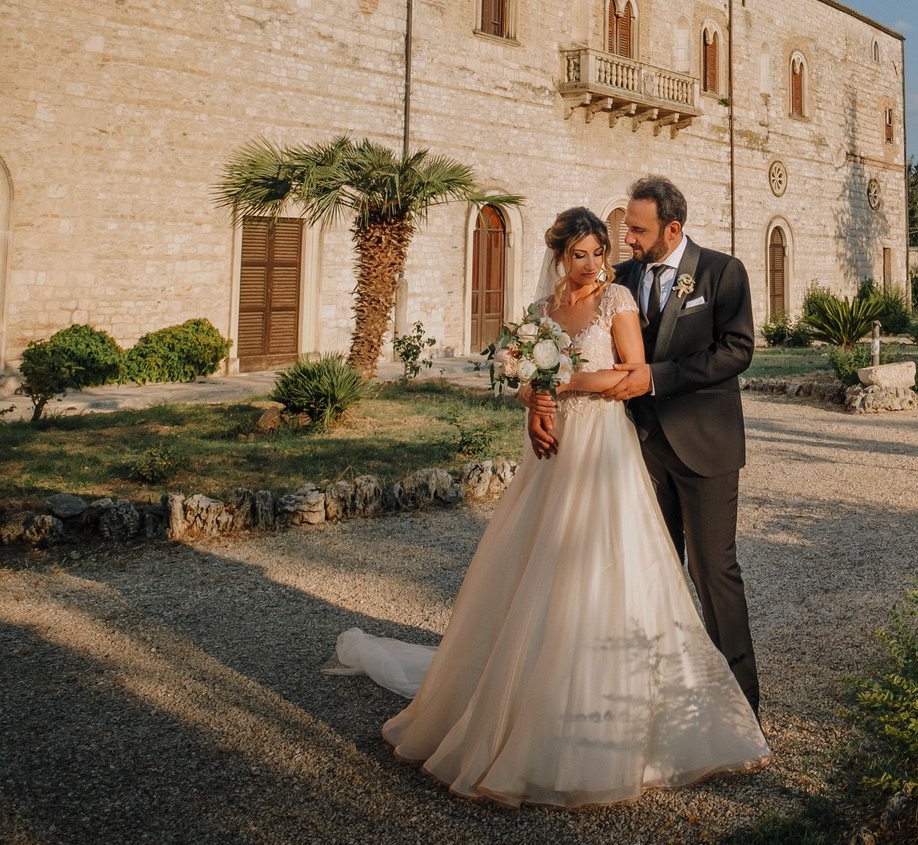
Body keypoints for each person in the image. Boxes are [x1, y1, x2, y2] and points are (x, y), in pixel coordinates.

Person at [328, 206, 767, 808]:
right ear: (559, 256)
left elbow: (631, 375)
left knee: (618, 567)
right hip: (551, 451)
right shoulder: (539, 314)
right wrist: (536, 401)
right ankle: (530, 697)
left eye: (600, 252)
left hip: (604, 446)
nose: (593, 264)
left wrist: (561, 384)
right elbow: (522, 376)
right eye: (580, 254)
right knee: (538, 567)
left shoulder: (617, 299)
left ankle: (645, 715)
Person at [532, 175, 762, 715]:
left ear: (672, 228)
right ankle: (655, 690)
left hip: (704, 443)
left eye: (636, 229)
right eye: (626, 229)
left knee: (714, 570)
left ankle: (739, 704)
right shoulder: (622, 279)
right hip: (635, 447)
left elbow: (736, 351)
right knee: (649, 568)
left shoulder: (721, 272)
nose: (627, 238)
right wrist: (538, 396)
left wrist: (655, 378)